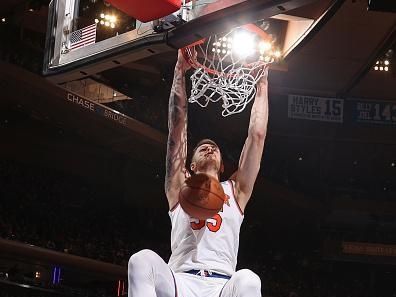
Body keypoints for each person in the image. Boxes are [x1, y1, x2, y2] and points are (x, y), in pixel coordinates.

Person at [128, 50, 269, 297]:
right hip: (180, 282)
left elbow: (257, 137)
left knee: (249, 279)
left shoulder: (236, 190)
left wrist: (263, 85)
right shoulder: (179, 186)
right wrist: (179, 72)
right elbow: (176, 128)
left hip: (222, 286)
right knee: (142, 260)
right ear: (190, 166)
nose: (209, 147)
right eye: (201, 147)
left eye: (214, 147)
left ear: (223, 166)